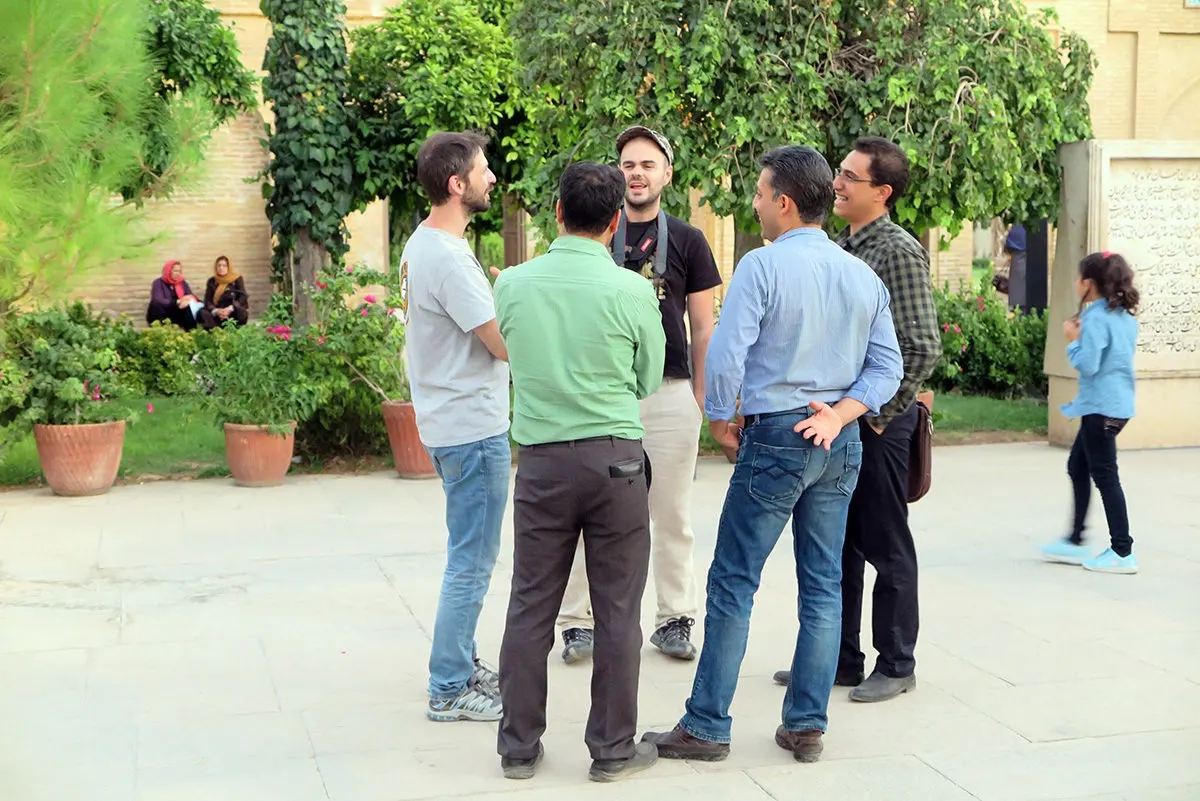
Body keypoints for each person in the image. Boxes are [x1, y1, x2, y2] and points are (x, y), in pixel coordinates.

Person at [644, 145, 903, 763]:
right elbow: (888, 367)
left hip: (777, 436)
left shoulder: (762, 267)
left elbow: (728, 355)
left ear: (784, 203)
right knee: (823, 584)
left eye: (760, 195)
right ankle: (806, 725)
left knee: (734, 581)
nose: (756, 204)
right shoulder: (861, 275)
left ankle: (706, 725)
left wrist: (720, 417)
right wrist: (842, 413)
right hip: (836, 443)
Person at [494, 162, 665, 782]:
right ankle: (613, 750)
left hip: (542, 462)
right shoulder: (632, 290)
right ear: (616, 222)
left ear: (557, 213)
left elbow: (514, 357)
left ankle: (517, 746)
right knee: (618, 608)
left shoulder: (512, 284)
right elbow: (648, 378)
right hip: (616, 459)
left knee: (531, 604)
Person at [772, 137, 942, 704]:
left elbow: (920, 348)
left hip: (875, 426)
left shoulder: (896, 251)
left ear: (883, 192)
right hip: (836, 423)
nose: (836, 183)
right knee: (836, 545)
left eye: (849, 176)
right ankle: (839, 660)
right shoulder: (842, 244)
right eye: (837, 173)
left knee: (885, 544)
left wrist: (873, 418)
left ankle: (897, 662)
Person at [556, 126, 722, 665]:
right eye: (628, 163)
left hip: (670, 393)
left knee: (671, 512)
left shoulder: (691, 240)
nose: (637, 173)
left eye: (648, 164)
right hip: (603, 394)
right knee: (587, 512)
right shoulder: (595, 235)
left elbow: (703, 324)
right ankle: (577, 622)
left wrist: (702, 393)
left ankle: (674, 617)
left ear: (667, 174)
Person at [399, 131, 511, 723]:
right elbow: (500, 343)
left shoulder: (424, 244)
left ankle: (462, 663)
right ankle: (448, 686)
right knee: (471, 560)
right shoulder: (447, 256)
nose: (491, 177)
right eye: (483, 169)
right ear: (456, 184)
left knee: (466, 553)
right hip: (472, 427)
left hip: (450, 422)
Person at [1040, 251, 1139, 574]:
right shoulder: (1122, 316)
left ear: (1088, 284)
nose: (1075, 283)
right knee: (1077, 466)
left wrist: (1072, 340)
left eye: (1078, 277)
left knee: (1105, 476)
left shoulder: (1096, 318)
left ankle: (1122, 551)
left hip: (1101, 408)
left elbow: (1089, 364)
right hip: (1115, 405)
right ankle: (1074, 539)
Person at [146, 260, 211, 330]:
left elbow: (189, 295)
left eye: (179, 271)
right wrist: (178, 301)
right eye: (175, 271)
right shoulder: (158, 282)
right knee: (155, 304)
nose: (178, 274)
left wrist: (188, 300)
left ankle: (191, 332)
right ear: (168, 271)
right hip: (162, 313)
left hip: (176, 312)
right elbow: (158, 299)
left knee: (189, 308)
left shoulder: (182, 283)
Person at [204, 255, 249, 327]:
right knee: (203, 313)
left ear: (229, 267)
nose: (221, 268)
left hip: (232, 309)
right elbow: (207, 300)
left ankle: (235, 329)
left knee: (242, 312)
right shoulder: (212, 281)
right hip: (217, 310)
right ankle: (215, 331)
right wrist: (217, 311)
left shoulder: (236, 279)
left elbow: (243, 295)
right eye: (219, 265)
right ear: (216, 267)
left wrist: (230, 309)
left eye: (224, 266)